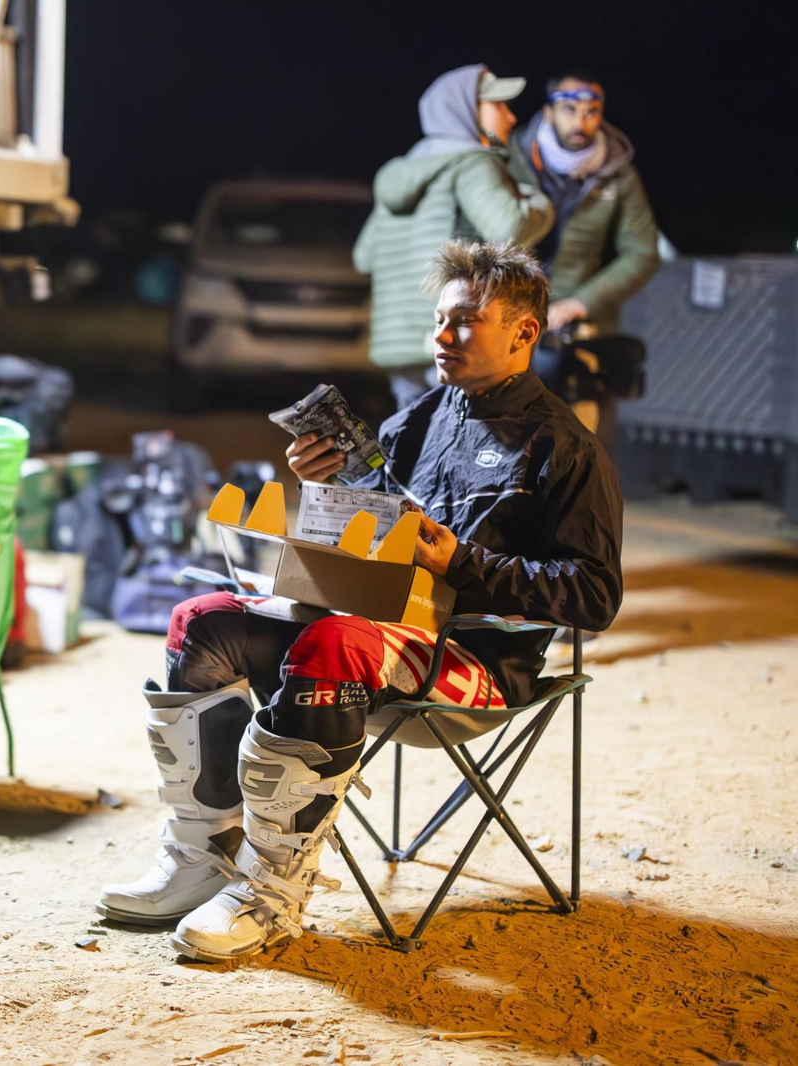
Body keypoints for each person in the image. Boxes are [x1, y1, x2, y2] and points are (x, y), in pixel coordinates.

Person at [98, 240, 622, 962]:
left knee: (333, 644)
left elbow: (593, 596)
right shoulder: (419, 419)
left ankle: (272, 890)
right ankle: (202, 857)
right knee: (204, 622)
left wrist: (460, 560)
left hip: (478, 659)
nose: (442, 338)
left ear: (524, 333)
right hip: (375, 631)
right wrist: (323, 486)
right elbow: (366, 535)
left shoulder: (566, 450)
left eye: (465, 322)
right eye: (439, 320)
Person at [355, 64, 554, 409]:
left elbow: (364, 256)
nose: (510, 118)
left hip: (399, 344)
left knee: (413, 445)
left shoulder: (403, 171)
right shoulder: (473, 164)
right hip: (453, 336)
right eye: (498, 106)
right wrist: (537, 201)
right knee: (464, 444)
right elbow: (512, 230)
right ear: (464, 110)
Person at [510, 71, 660, 431]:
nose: (582, 121)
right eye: (569, 109)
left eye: (592, 111)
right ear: (548, 112)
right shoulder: (510, 159)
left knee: (581, 437)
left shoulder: (618, 174)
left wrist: (581, 302)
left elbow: (643, 252)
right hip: (512, 315)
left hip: (578, 327)